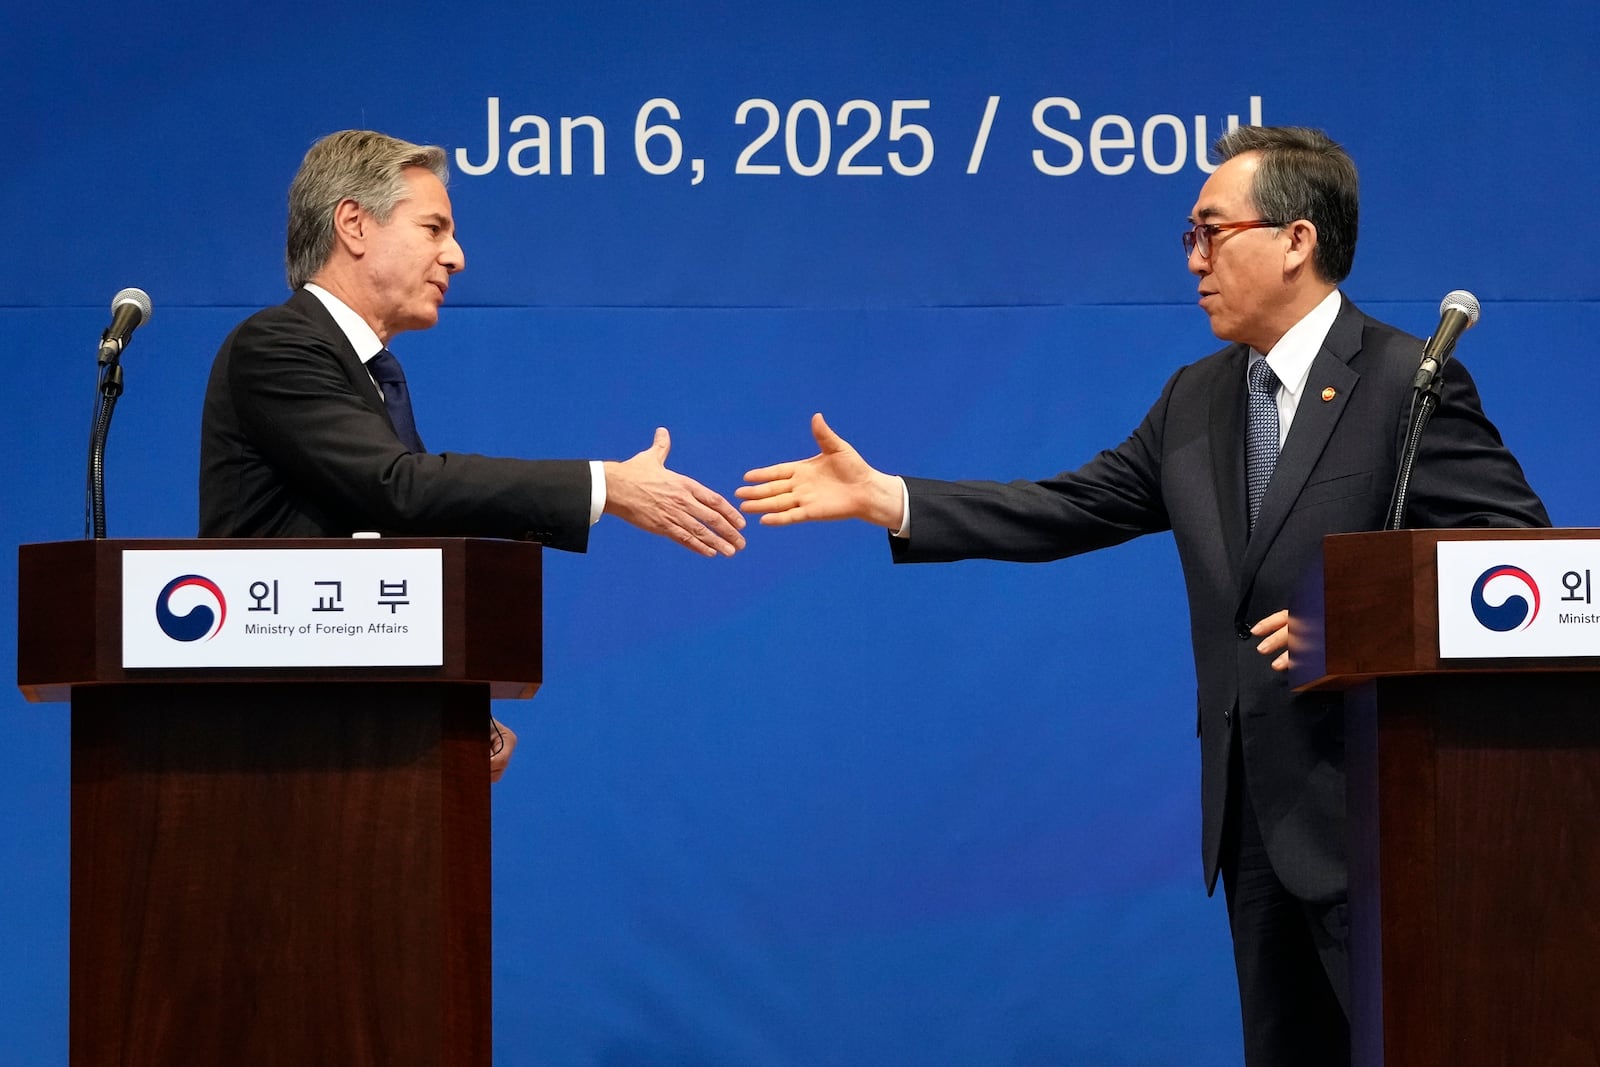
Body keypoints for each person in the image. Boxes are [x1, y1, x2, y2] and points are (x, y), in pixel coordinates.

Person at [736, 126, 1548, 1065]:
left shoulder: (1409, 383)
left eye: (1213, 233)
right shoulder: (1197, 398)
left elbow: (1516, 560)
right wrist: (892, 499)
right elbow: (1070, 507)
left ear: (1297, 239)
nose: (1194, 260)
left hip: (1381, 825)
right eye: (1189, 239)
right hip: (1255, 830)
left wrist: (1364, 615)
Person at [200, 130, 747, 782]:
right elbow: (398, 489)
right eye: (433, 228)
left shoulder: (370, 373)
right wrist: (604, 486)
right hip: (278, 749)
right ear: (354, 224)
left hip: (358, 745)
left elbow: (402, 541)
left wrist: (461, 708)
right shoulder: (278, 345)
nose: (455, 256)